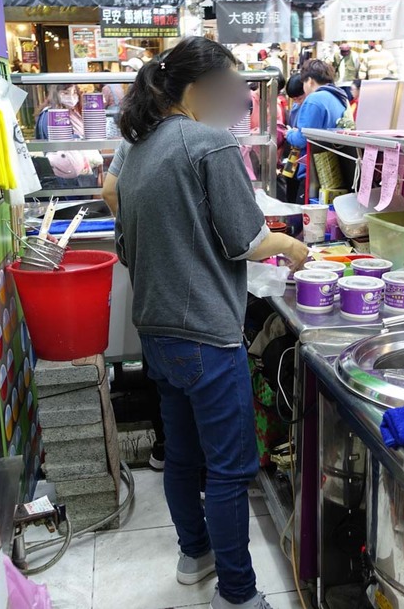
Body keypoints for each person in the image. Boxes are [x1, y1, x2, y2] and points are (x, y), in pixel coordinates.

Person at [115, 37, 309, 609]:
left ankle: (193, 555)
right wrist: (291, 247)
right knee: (229, 469)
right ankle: (239, 595)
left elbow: (129, 244)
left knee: (182, 455)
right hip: (205, 333)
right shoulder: (208, 142)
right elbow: (246, 239)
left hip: (157, 332)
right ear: (199, 89)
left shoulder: (139, 147)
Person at [284, 60, 351, 203]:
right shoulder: (340, 97)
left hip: (312, 173)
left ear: (309, 81)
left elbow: (302, 139)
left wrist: (289, 134)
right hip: (333, 172)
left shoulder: (314, 99)